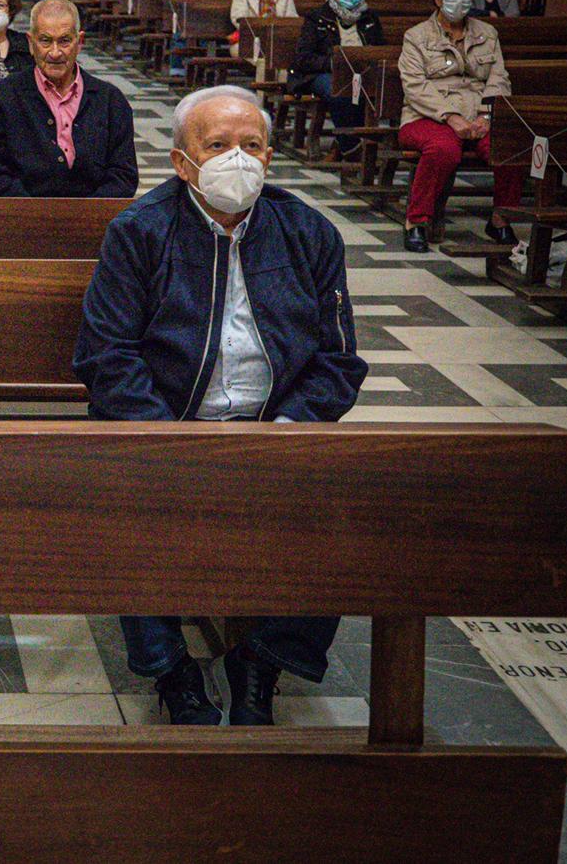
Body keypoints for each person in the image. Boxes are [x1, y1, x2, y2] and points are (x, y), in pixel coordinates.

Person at [73, 85, 366, 726]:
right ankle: (172, 669)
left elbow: (339, 362)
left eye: (252, 146)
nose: (239, 160)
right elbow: (105, 356)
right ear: (183, 163)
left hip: (274, 432)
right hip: (167, 431)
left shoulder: (309, 233)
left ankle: (263, 657)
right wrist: (167, 438)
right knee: (127, 507)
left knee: (349, 514)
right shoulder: (140, 232)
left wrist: (292, 427)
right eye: (218, 146)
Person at [396, 0, 525, 253]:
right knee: (443, 149)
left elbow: (498, 78)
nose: (461, 0)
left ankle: (501, 220)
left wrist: (486, 114)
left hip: (479, 116)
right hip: (426, 116)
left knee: (511, 148)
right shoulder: (417, 36)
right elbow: (415, 86)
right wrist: (450, 116)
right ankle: (416, 221)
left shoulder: (487, 33)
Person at [0, 0, 138, 197]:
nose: (55, 52)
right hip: (24, 217)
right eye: (45, 41)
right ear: (31, 43)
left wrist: (89, 213)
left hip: (94, 220)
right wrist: (31, 211)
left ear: (80, 42)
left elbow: (124, 173)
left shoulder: (111, 100)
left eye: (65, 41)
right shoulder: (4, 95)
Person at [288, 0, 384, 162]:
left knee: (370, 88)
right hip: (322, 74)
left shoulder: (369, 19)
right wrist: (335, 64)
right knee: (339, 88)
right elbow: (303, 58)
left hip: (362, 73)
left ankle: (344, 144)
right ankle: (352, 148)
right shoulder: (318, 18)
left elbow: (379, 51)